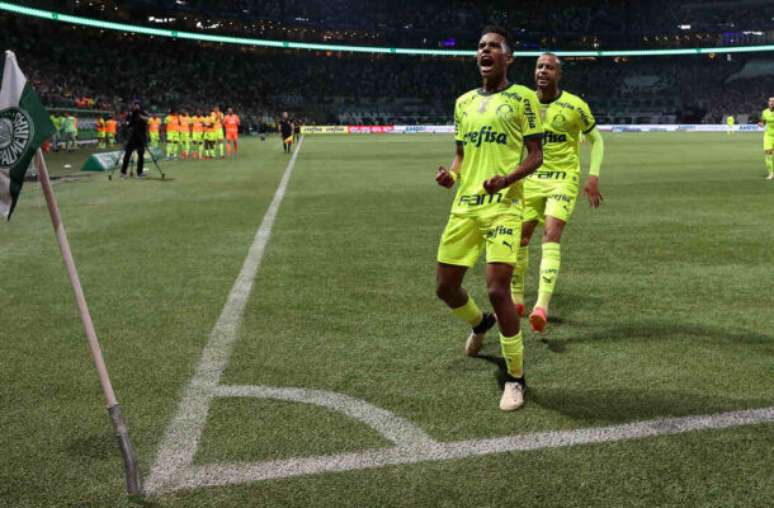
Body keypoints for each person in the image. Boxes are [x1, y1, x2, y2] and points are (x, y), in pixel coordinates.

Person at [434, 26, 543, 411]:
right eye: (481, 46)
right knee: (445, 288)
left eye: (493, 46)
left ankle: (516, 378)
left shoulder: (524, 98)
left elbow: (535, 155)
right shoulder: (463, 102)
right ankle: (481, 325)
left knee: (499, 290)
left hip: (505, 205)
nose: (485, 50)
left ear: (507, 58)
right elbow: (461, 156)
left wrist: (507, 180)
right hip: (465, 205)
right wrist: (452, 175)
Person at [510, 53, 605, 333]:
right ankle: (517, 298)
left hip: (563, 178)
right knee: (521, 236)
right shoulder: (524, 104)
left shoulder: (575, 105)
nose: (543, 71)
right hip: (531, 177)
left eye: (549, 67)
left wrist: (593, 175)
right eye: (539, 66)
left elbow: (596, 139)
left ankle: (541, 305)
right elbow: (517, 143)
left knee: (550, 234)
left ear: (558, 74)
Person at [120, 101, 149, 179]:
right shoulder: (130, 114)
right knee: (127, 155)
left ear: (139, 106)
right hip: (132, 137)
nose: (135, 106)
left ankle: (139, 172)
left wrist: (140, 117)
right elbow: (127, 125)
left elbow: (147, 119)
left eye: (136, 105)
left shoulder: (142, 113)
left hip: (141, 138)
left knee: (141, 155)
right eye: (133, 105)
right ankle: (123, 172)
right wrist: (126, 123)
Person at [758, 97, 774, 180]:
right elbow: (763, 123)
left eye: (773, 101)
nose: (771, 102)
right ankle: (771, 173)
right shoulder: (765, 112)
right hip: (768, 136)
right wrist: (761, 124)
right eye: (770, 101)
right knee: (768, 154)